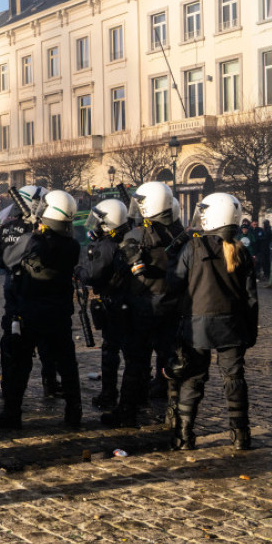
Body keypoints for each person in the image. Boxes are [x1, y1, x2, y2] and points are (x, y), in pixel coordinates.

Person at [166, 193, 257, 450]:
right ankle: (241, 436)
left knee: (193, 378)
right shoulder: (241, 250)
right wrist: (250, 333)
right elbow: (251, 298)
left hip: (197, 325)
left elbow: (174, 283)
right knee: (234, 379)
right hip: (232, 325)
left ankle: (184, 435)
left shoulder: (192, 248)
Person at [0, 190, 83, 430]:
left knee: (20, 365)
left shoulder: (32, 241)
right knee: (67, 363)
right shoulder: (73, 245)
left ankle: (12, 413)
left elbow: (9, 258)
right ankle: (74, 410)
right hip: (59, 313)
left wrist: (33, 233)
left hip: (30, 312)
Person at [102, 181, 182, 427]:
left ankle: (127, 409)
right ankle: (175, 412)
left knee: (136, 361)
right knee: (170, 360)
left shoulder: (136, 236)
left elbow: (118, 272)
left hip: (142, 305)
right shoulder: (180, 234)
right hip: (171, 304)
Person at [0, 186, 64, 401]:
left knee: (14, 342)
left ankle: (10, 392)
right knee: (46, 342)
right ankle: (50, 383)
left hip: (13, 290)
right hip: (40, 290)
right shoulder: (42, 229)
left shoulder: (6, 229)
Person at [76, 199, 130, 410]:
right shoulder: (125, 239)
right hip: (125, 301)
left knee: (110, 351)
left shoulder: (107, 245)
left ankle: (109, 394)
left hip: (113, 302)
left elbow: (92, 274)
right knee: (130, 351)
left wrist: (80, 270)